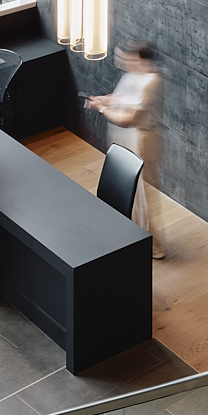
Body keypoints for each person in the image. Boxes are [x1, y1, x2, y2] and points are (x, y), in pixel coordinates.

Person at [86, 42, 166, 259]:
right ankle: (130, 235)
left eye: (127, 59)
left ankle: (153, 245)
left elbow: (129, 120)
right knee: (125, 189)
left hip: (139, 141)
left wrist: (101, 109)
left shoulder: (150, 82)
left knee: (140, 193)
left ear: (141, 60)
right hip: (125, 141)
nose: (122, 63)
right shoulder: (134, 74)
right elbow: (122, 98)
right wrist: (105, 100)